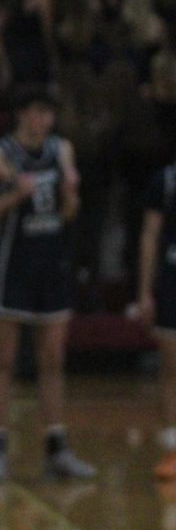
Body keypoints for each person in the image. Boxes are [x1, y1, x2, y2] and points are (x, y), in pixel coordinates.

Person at [0, 86, 96, 483]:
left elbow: (69, 213)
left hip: (52, 264)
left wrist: (71, 193)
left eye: (47, 113)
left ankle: (57, 447)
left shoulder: (62, 150)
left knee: (53, 360)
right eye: (35, 112)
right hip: (14, 266)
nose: (42, 120)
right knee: (3, 361)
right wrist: (12, 198)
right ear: (21, 114)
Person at [137, 159, 176, 479]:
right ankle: (172, 448)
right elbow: (150, 235)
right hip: (171, 282)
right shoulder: (165, 179)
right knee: (171, 368)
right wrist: (145, 290)